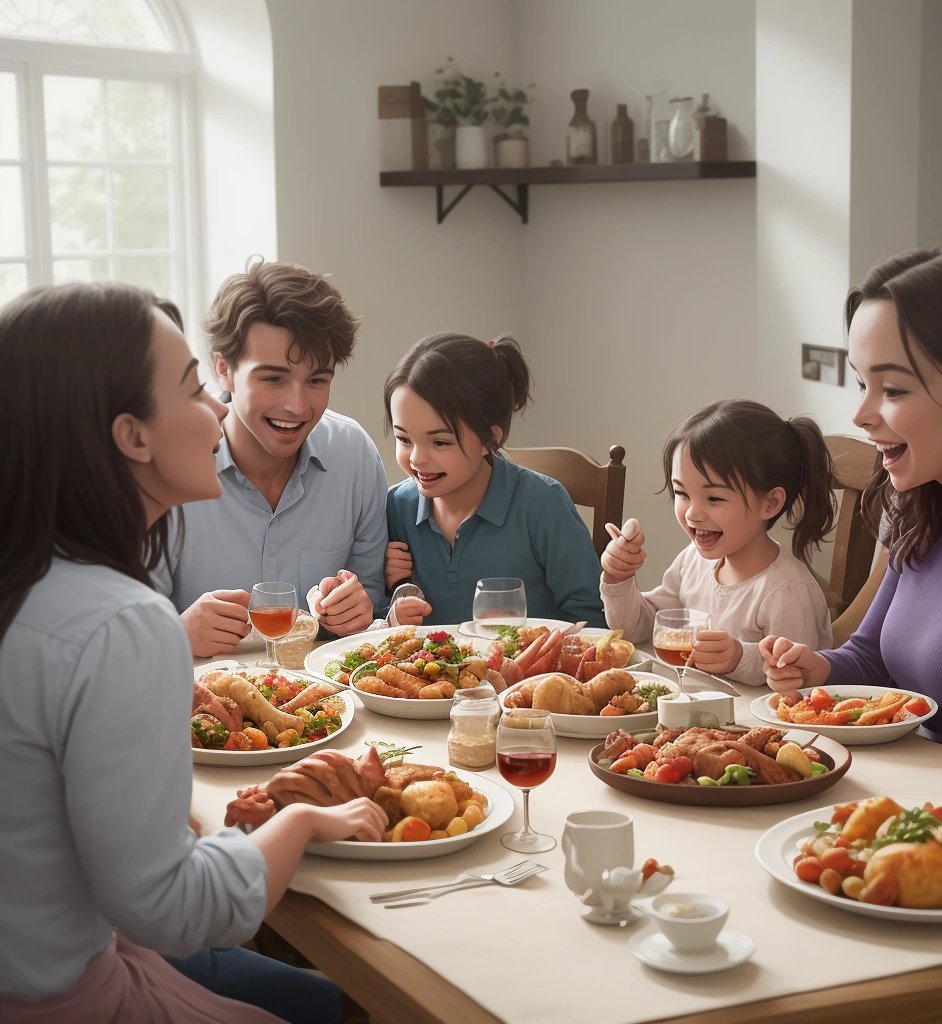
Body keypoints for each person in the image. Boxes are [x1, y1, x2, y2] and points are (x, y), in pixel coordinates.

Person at [0, 283, 389, 1022]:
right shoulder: (121, 623)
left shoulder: (32, 577)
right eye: (192, 389)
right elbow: (172, 910)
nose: (215, 410)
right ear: (132, 437)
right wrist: (302, 822)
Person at [760, 245, 942, 770]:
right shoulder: (919, 517)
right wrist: (815, 670)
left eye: (894, 389)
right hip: (909, 806)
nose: (861, 414)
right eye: (863, 384)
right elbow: (871, 659)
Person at [156, 258, 388, 657]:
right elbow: (117, 634)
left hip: (326, 706)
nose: (297, 406)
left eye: (317, 380)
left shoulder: (354, 456)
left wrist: (360, 610)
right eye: (273, 379)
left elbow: (374, 610)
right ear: (223, 369)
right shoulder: (167, 467)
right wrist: (175, 632)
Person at [601, 399, 835, 686]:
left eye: (714, 498)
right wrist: (619, 577)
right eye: (681, 493)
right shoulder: (693, 561)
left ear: (771, 503)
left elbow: (799, 680)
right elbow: (639, 628)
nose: (692, 513)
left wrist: (739, 658)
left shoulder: (787, 591)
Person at [382, 332, 605, 627]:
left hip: (530, 671)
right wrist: (390, 599)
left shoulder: (543, 504)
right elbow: (378, 625)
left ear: (490, 439)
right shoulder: (397, 506)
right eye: (404, 439)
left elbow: (591, 619)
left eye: (440, 443)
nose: (416, 459)